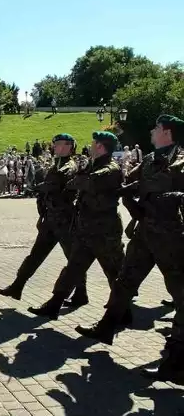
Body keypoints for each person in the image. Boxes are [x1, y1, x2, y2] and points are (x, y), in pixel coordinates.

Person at [75, 115, 184, 383]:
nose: (151, 130)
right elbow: (129, 181)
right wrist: (119, 190)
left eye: (156, 128)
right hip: (146, 231)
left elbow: (157, 183)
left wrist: (131, 189)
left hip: (171, 236)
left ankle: (176, 362)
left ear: (168, 133)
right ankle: (107, 327)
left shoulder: (180, 159)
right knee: (125, 281)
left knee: (181, 296)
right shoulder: (148, 159)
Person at [28, 131, 126, 320]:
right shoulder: (93, 164)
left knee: (113, 271)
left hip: (105, 231)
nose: (89, 146)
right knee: (73, 268)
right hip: (88, 228)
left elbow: (84, 182)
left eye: (93, 143)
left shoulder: (110, 168)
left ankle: (122, 311)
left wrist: (77, 181)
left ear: (100, 146)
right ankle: (54, 304)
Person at [0, 133, 89, 305]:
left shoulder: (70, 166)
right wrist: (42, 214)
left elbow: (57, 183)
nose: (56, 147)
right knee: (35, 255)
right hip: (51, 219)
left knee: (74, 258)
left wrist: (40, 186)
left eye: (60, 144)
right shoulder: (56, 165)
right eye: (55, 144)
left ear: (70, 147)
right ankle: (17, 285)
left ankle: (81, 294)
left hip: (66, 221)